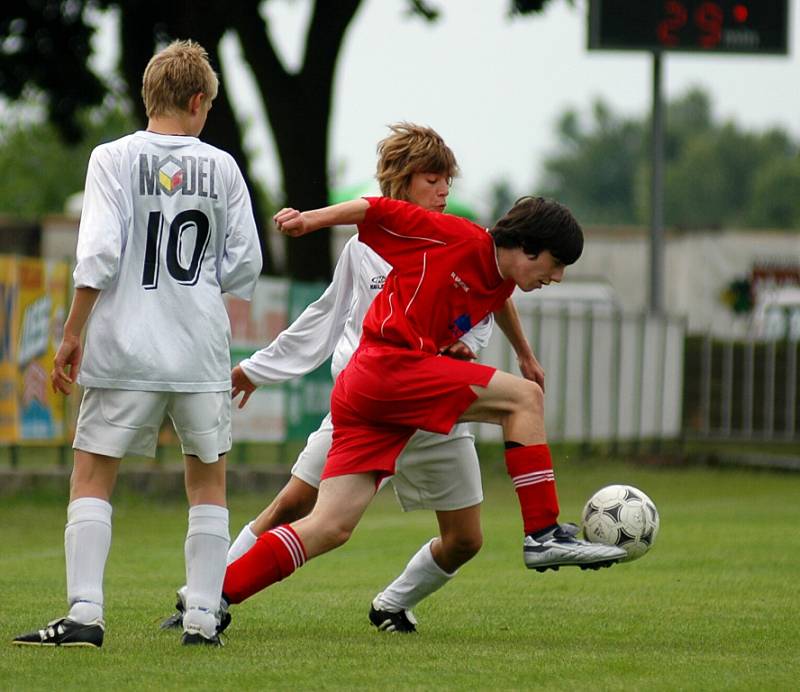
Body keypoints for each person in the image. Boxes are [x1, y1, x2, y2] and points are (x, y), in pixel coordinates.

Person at [161, 122, 546, 635]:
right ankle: (205, 598)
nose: (443, 190)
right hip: (368, 400)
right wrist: (258, 368)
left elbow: (493, 296)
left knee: (465, 540)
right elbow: (324, 317)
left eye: (447, 180)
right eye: (433, 179)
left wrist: (493, 349)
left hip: (434, 407)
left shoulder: (458, 242)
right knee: (294, 503)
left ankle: (392, 603)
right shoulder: (367, 249)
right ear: (402, 181)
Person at [211, 192, 627, 627]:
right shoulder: (454, 235)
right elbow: (372, 208)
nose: (557, 276)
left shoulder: (502, 274)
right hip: (390, 369)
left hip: (368, 391)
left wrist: (523, 351)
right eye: (555, 263)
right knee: (524, 399)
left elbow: (497, 294)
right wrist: (308, 221)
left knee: (329, 526)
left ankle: (213, 598)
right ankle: (542, 531)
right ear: (527, 246)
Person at [12, 39, 262, 649]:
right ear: (199, 101)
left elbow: (98, 253)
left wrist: (72, 334)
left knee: (93, 474)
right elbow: (245, 264)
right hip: (200, 347)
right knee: (207, 483)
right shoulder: (223, 167)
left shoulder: (112, 158)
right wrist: (196, 285)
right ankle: (203, 618)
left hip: (125, 346)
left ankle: (85, 615)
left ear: (151, 95)